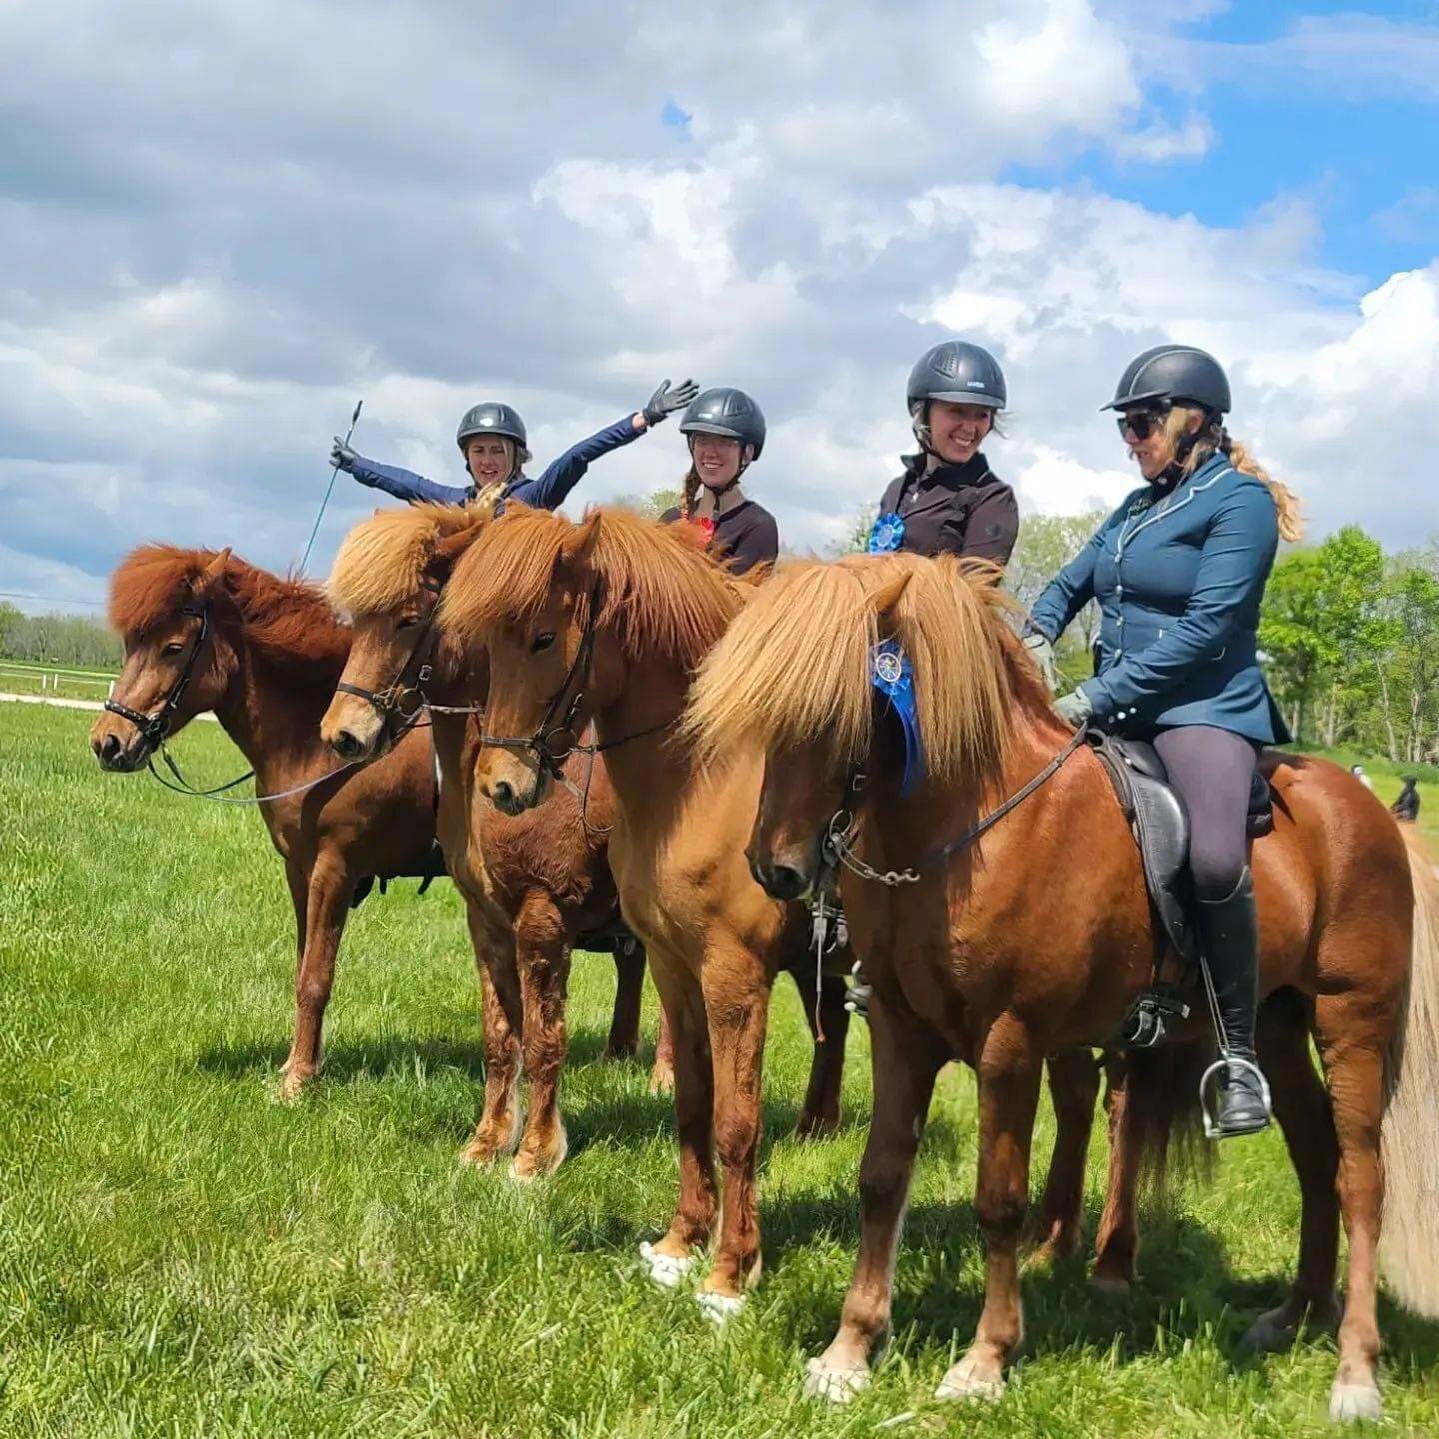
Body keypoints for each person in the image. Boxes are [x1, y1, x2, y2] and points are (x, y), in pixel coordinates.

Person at [1026, 344, 1303, 1139]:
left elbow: (1207, 629)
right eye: (1126, 425)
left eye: (1142, 421)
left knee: (1215, 857)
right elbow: (1072, 577)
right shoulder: (1134, 506)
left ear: (1196, 422)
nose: (1131, 436)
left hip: (1202, 709)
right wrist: (1039, 630)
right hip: (1114, 711)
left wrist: (1094, 693)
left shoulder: (1238, 503)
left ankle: (1237, 1054)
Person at [329, 380, 699, 510]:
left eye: (496, 451)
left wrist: (645, 418)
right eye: (479, 451)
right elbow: (406, 484)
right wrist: (355, 464)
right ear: (467, 458)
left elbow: (579, 454)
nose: (487, 461)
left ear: (516, 455)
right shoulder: (459, 503)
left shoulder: (534, 498)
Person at [867, 339, 1018, 565]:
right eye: (957, 411)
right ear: (923, 412)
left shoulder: (993, 499)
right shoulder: (898, 489)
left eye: (982, 415)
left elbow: (971, 592)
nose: (969, 428)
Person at [658, 387, 778, 576]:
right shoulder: (670, 520)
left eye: (724, 442)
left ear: (747, 453)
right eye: (702, 440)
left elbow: (740, 601)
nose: (710, 452)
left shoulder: (758, 526)